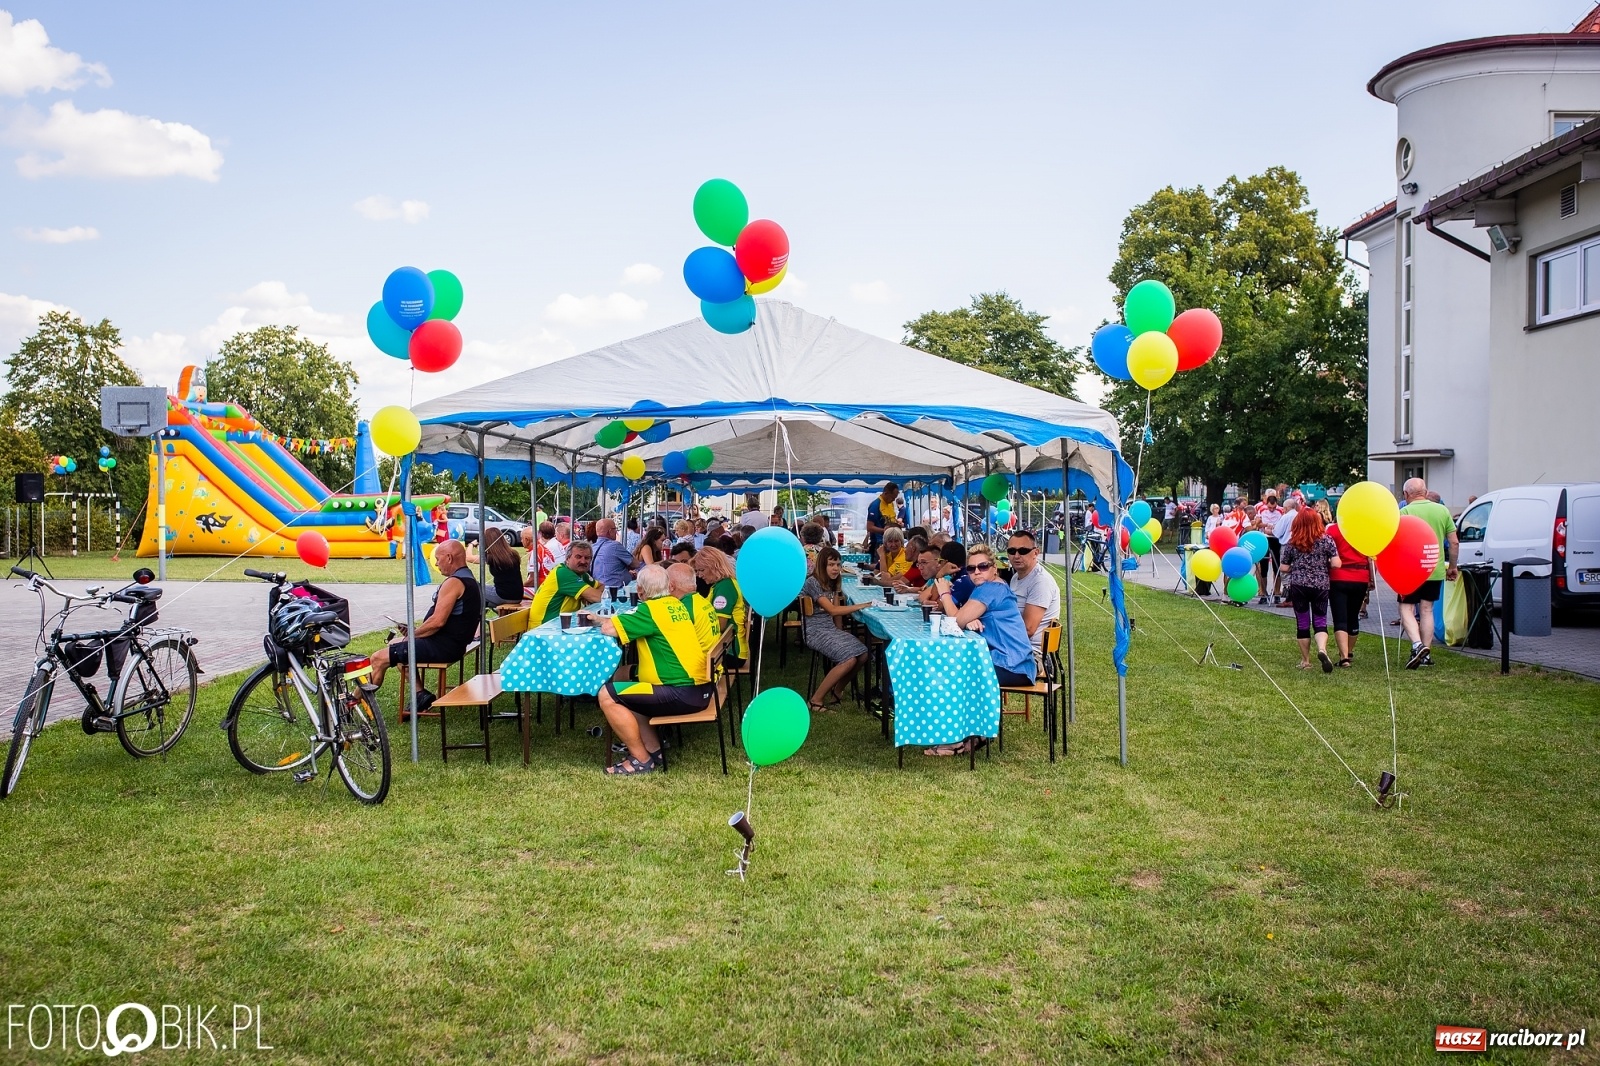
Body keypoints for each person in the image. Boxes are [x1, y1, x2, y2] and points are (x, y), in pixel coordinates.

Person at [593, 565, 717, 776]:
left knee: (607, 695)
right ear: (669, 586)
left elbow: (608, 629)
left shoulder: (649, 611)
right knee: (630, 691)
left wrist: (599, 619)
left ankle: (641, 759)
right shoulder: (676, 604)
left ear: (640, 591)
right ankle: (653, 750)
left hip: (681, 693)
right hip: (700, 688)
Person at [928, 544, 1034, 756]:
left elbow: (955, 620)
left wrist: (944, 594)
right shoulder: (994, 587)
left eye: (983, 566)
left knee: (954, 673)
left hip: (1011, 664)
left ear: (994, 568)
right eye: (971, 568)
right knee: (960, 668)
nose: (976, 571)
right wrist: (969, 621)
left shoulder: (990, 588)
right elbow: (965, 619)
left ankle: (955, 740)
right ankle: (975, 734)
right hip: (1017, 663)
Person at [369, 540, 481, 689]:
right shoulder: (469, 579)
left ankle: (353, 702)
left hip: (444, 647)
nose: (436, 563)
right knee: (395, 644)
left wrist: (413, 634)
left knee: (377, 659)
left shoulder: (454, 582)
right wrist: (415, 632)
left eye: (438, 559)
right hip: (453, 644)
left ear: (449, 558)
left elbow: (437, 622)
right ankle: (420, 694)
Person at [800, 546, 873, 711]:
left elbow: (836, 613)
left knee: (863, 654)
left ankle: (837, 690)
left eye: (838, 564)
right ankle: (815, 700)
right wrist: (862, 606)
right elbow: (832, 610)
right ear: (822, 566)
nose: (835, 568)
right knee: (849, 659)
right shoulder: (813, 582)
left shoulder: (832, 582)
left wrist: (840, 630)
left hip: (829, 628)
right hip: (814, 631)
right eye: (831, 564)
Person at [1398, 477, 1459, 669]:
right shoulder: (1442, 511)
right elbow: (1454, 542)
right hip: (1434, 568)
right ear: (1426, 491)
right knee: (1427, 610)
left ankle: (1417, 646)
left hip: (1410, 571)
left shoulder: (1405, 512)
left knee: (1406, 608)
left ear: (1406, 494)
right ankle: (1425, 653)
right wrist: (1452, 567)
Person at [1279, 507, 1339, 672]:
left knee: (1303, 622)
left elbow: (1283, 568)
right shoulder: (1327, 540)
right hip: (1321, 585)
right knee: (1320, 620)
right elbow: (1336, 563)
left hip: (1299, 585)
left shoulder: (1293, 542)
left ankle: (1306, 661)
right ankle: (1322, 649)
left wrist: (1297, 567)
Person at [1005, 529, 1061, 671]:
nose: (1016, 556)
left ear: (1036, 552)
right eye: (1012, 551)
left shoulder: (1040, 582)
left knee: (980, 669)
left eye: (1022, 551)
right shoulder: (1015, 578)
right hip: (1014, 649)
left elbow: (1028, 629)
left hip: (1033, 657)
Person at [692, 545, 749, 666]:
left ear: (714, 567)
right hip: (729, 649)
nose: (699, 575)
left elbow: (720, 624)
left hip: (731, 652)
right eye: (697, 571)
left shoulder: (725, 587)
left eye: (702, 570)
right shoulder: (722, 584)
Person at [526, 538, 604, 625]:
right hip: (543, 629)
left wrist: (588, 596)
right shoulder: (563, 573)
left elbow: (602, 587)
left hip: (560, 625)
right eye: (578, 557)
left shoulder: (581, 574)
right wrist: (589, 596)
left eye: (587, 558)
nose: (583, 561)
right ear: (567, 559)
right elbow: (599, 597)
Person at [1327, 517, 1371, 668]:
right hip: (1360, 577)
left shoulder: (1333, 530)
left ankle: (1344, 656)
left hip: (1338, 576)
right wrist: (1371, 579)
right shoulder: (1365, 531)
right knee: (1353, 615)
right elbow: (1372, 558)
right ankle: (1349, 652)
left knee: (1340, 618)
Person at [469, 527, 526, 608]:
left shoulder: (492, 557)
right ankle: (483, 605)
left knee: (472, 585)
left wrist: (471, 544)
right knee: (482, 591)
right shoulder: (513, 554)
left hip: (502, 596)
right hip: (517, 596)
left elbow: (468, 557)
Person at [1270, 495, 1301, 607]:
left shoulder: (1286, 517)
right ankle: (1297, 595)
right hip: (1299, 546)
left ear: (1286, 508)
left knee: (1285, 570)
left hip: (1287, 545)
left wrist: (1271, 529)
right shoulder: (1300, 516)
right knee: (1296, 570)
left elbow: (1277, 532)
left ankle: (1289, 595)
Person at [1255, 491, 1285, 605]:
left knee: (1276, 566)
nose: (1271, 509)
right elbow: (1257, 524)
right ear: (1266, 504)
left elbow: (1283, 524)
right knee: (1263, 567)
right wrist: (1266, 525)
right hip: (1264, 539)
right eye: (1270, 507)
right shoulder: (1261, 509)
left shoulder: (1281, 510)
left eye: (1273, 507)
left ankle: (1277, 593)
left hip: (1276, 539)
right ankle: (1263, 592)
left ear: (1276, 504)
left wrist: (1275, 528)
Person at [590, 518, 635, 589]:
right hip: (615, 591)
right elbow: (635, 564)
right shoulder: (615, 546)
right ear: (610, 531)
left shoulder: (591, 547)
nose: (616, 532)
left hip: (596, 588)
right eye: (615, 529)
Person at [865, 482, 904, 554]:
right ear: (886, 493)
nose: (893, 500)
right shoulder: (875, 505)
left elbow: (889, 518)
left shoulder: (890, 504)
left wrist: (896, 523)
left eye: (895, 498)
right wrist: (884, 530)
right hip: (880, 543)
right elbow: (869, 527)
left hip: (891, 542)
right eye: (892, 497)